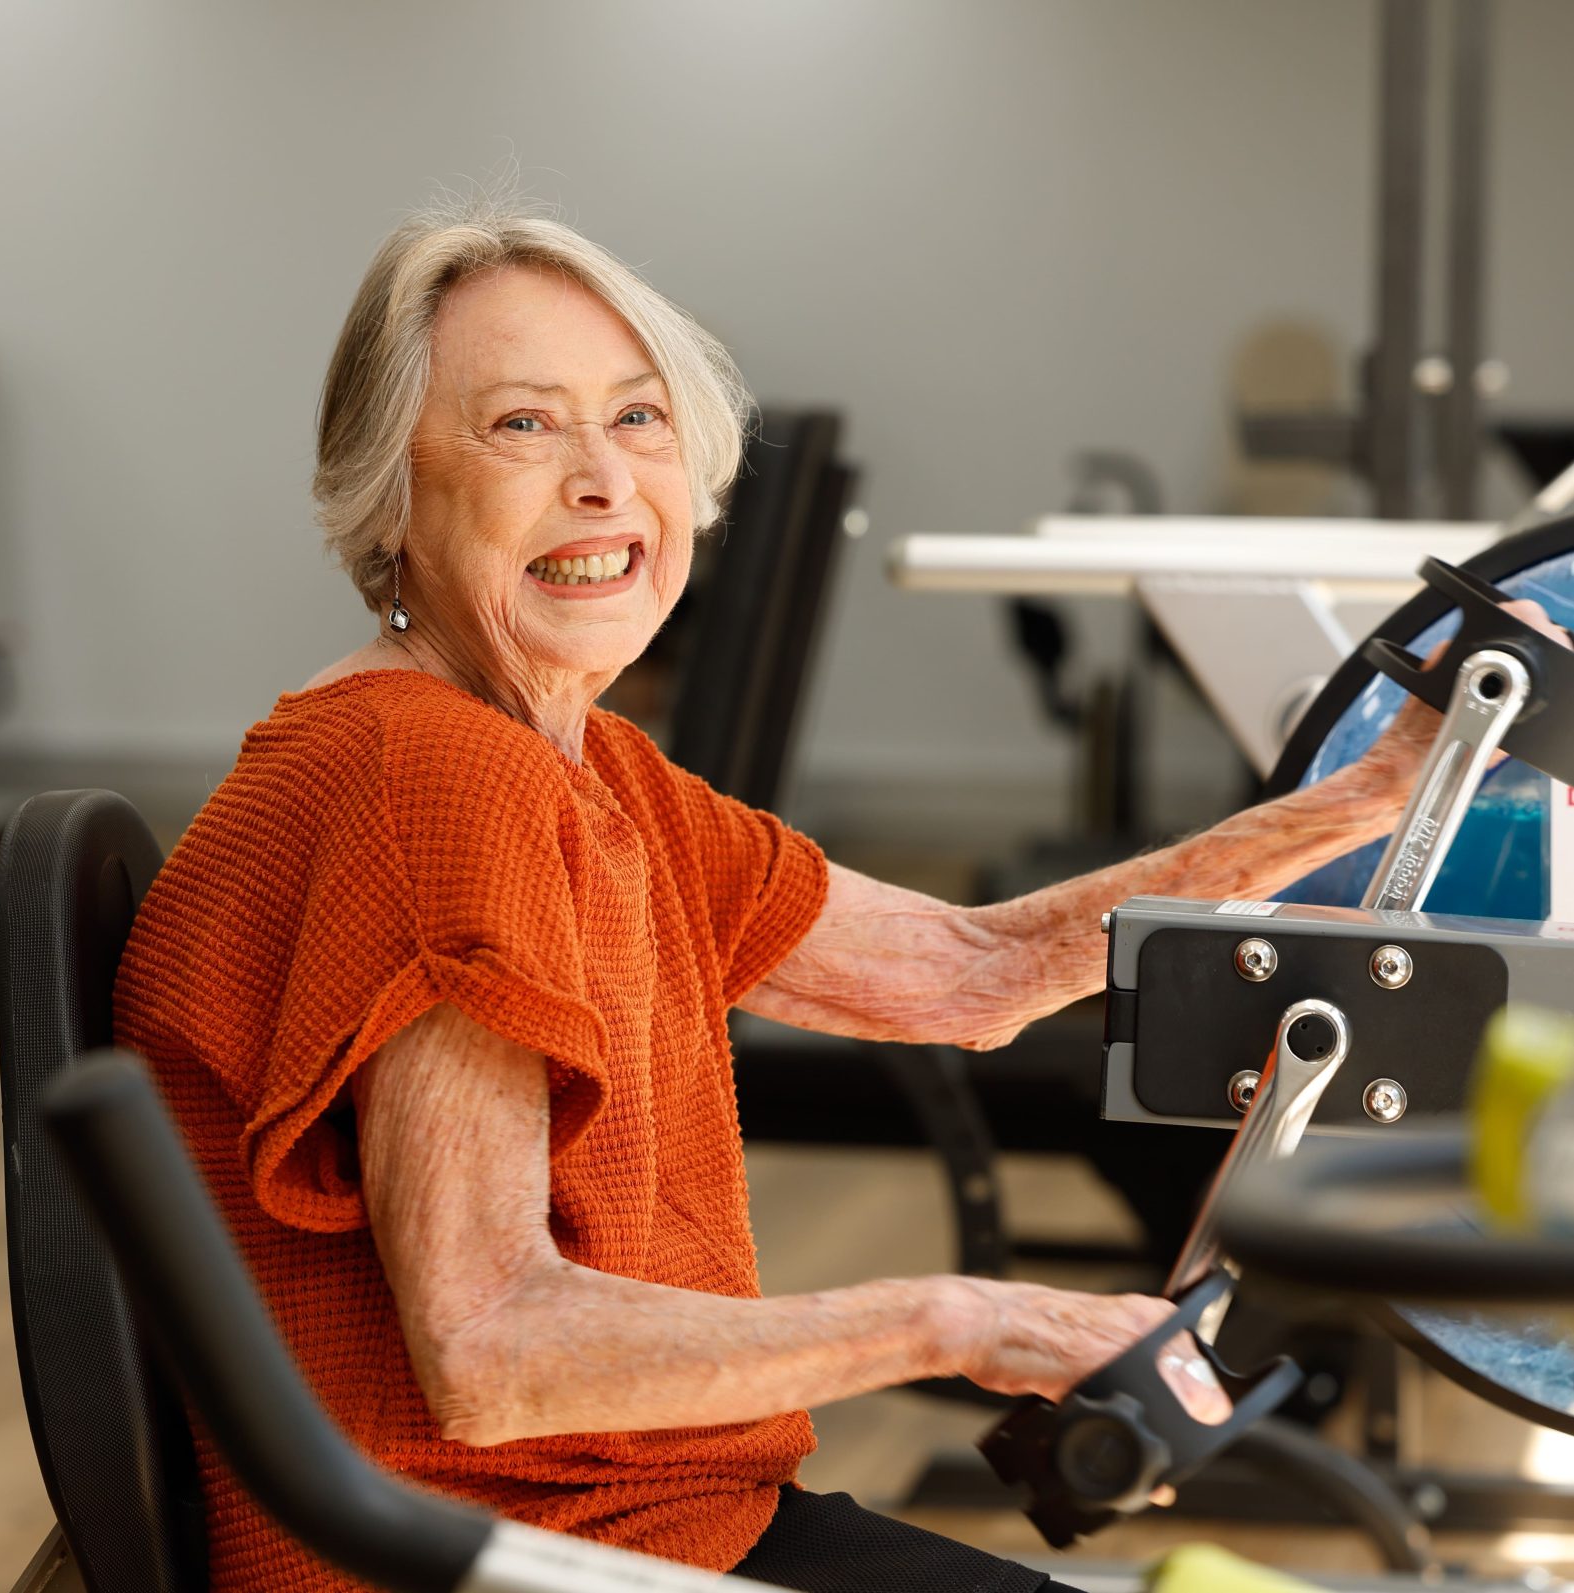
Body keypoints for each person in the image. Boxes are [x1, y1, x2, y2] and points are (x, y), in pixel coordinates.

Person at [112, 199, 1554, 1593]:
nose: (605, 479)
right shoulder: (423, 773)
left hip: (646, 1517)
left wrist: (1366, 794)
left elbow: (968, 971)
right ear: (391, 492)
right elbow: (491, 1350)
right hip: (515, 1556)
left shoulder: (579, 765)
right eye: (521, 424)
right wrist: (953, 1317)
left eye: (638, 417)